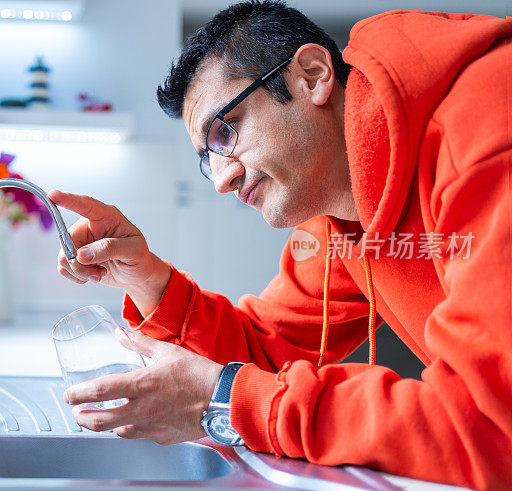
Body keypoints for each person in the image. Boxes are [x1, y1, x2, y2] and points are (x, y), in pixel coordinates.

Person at [47, 1, 512, 488]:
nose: (222, 180)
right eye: (208, 157)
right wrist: (147, 278)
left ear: (311, 76)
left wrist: (224, 400)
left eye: (225, 131)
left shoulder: (487, 131)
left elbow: (490, 422)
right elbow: (263, 355)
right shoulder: (339, 213)